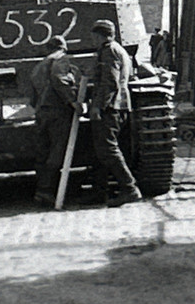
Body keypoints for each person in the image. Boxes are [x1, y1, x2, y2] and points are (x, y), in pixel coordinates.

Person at [86, 19, 142, 207]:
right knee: (101, 151)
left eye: (94, 36)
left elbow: (110, 82)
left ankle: (130, 189)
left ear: (100, 35)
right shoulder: (118, 49)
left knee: (107, 149)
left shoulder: (109, 51)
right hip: (119, 105)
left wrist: (98, 106)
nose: (92, 40)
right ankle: (99, 191)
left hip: (111, 107)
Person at [29, 36, 83, 207]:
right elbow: (59, 79)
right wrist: (73, 101)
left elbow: (32, 97)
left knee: (43, 151)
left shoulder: (38, 66)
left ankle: (42, 190)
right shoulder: (60, 60)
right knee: (57, 150)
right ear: (63, 48)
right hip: (57, 112)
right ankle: (50, 191)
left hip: (42, 112)